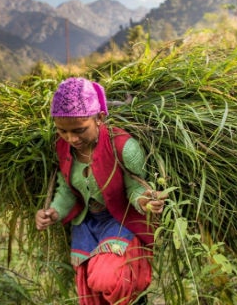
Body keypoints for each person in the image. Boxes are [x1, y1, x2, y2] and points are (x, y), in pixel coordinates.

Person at [35, 77, 166, 305]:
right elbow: (66, 189)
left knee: (107, 279)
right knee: (91, 296)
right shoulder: (63, 147)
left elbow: (135, 186)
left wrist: (145, 201)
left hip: (121, 220)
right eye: (62, 131)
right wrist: (53, 213)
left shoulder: (124, 147)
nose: (71, 138)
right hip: (87, 225)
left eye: (79, 130)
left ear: (99, 118)